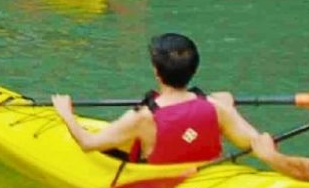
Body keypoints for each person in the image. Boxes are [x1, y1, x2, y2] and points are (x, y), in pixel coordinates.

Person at [51, 33, 260, 163]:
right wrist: (229, 109)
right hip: (207, 175)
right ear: (193, 69)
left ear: (157, 73)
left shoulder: (142, 118)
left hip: (161, 182)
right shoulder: (217, 107)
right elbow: (257, 144)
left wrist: (66, 113)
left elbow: (88, 143)